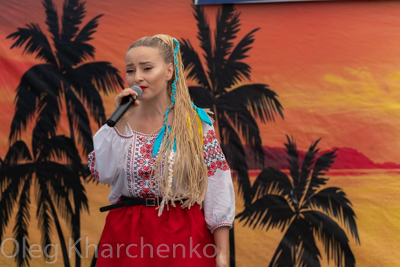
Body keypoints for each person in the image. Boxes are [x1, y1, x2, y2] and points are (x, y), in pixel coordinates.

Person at [88, 34, 235, 267]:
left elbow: (218, 186)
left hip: (182, 234)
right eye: (130, 70)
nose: (137, 77)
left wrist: (222, 256)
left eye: (147, 68)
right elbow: (103, 172)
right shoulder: (119, 123)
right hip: (126, 235)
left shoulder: (195, 124)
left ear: (169, 72)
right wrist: (119, 123)